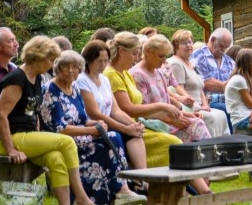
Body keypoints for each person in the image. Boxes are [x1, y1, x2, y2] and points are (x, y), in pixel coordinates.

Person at [0, 36, 108, 205]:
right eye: (51, 59)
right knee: (67, 142)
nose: (53, 64)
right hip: (6, 139)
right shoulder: (16, 79)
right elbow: (0, 114)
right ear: (38, 56)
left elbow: (33, 114)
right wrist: (10, 149)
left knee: (56, 158)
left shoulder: (36, 79)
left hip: (27, 136)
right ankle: (82, 200)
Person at [40, 51, 145, 205]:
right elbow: (58, 128)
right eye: (65, 67)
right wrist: (91, 130)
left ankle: (115, 201)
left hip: (81, 138)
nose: (71, 71)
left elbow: (81, 119)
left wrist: (97, 125)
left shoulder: (74, 88)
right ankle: (118, 192)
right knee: (110, 142)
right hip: (64, 143)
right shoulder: (49, 90)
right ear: (57, 69)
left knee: (113, 136)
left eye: (75, 67)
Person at [104, 32, 184, 169]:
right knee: (173, 144)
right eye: (134, 54)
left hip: (137, 124)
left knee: (180, 141)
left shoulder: (125, 73)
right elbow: (128, 109)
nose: (136, 59)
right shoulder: (112, 75)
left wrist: (168, 116)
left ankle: (196, 186)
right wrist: (162, 107)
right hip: (125, 128)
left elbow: (139, 110)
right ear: (121, 52)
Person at [76, 40, 151, 179]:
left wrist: (132, 124)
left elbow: (115, 110)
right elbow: (94, 113)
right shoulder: (82, 80)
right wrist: (125, 128)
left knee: (135, 133)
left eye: (106, 61)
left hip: (109, 123)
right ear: (89, 61)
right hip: (93, 126)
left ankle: (143, 177)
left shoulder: (104, 80)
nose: (104, 65)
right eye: (100, 61)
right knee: (124, 134)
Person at [130, 35, 211, 144]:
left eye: (165, 56)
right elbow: (143, 111)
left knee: (197, 121)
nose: (164, 61)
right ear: (148, 52)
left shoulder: (159, 72)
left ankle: (205, 156)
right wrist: (171, 119)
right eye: (161, 56)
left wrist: (186, 114)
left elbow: (166, 102)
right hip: (152, 125)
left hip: (168, 121)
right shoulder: (138, 75)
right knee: (196, 126)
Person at [165, 29, 229, 138]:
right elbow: (178, 88)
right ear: (176, 47)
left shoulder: (191, 63)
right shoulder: (175, 63)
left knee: (221, 114)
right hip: (188, 106)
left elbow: (200, 88)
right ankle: (209, 148)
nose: (189, 45)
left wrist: (204, 104)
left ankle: (222, 147)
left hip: (200, 105)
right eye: (184, 43)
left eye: (190, 42)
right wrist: (197, 106)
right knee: (212, 117)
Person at [192, 27, 234, 121]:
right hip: (208, 102)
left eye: (226, 47)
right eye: (222, 46)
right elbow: (206, 83)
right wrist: (229, 86)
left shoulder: (230, 61)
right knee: (229, 111)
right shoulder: (198, 56)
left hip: (229, 101)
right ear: (212, 40)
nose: (224, 50)